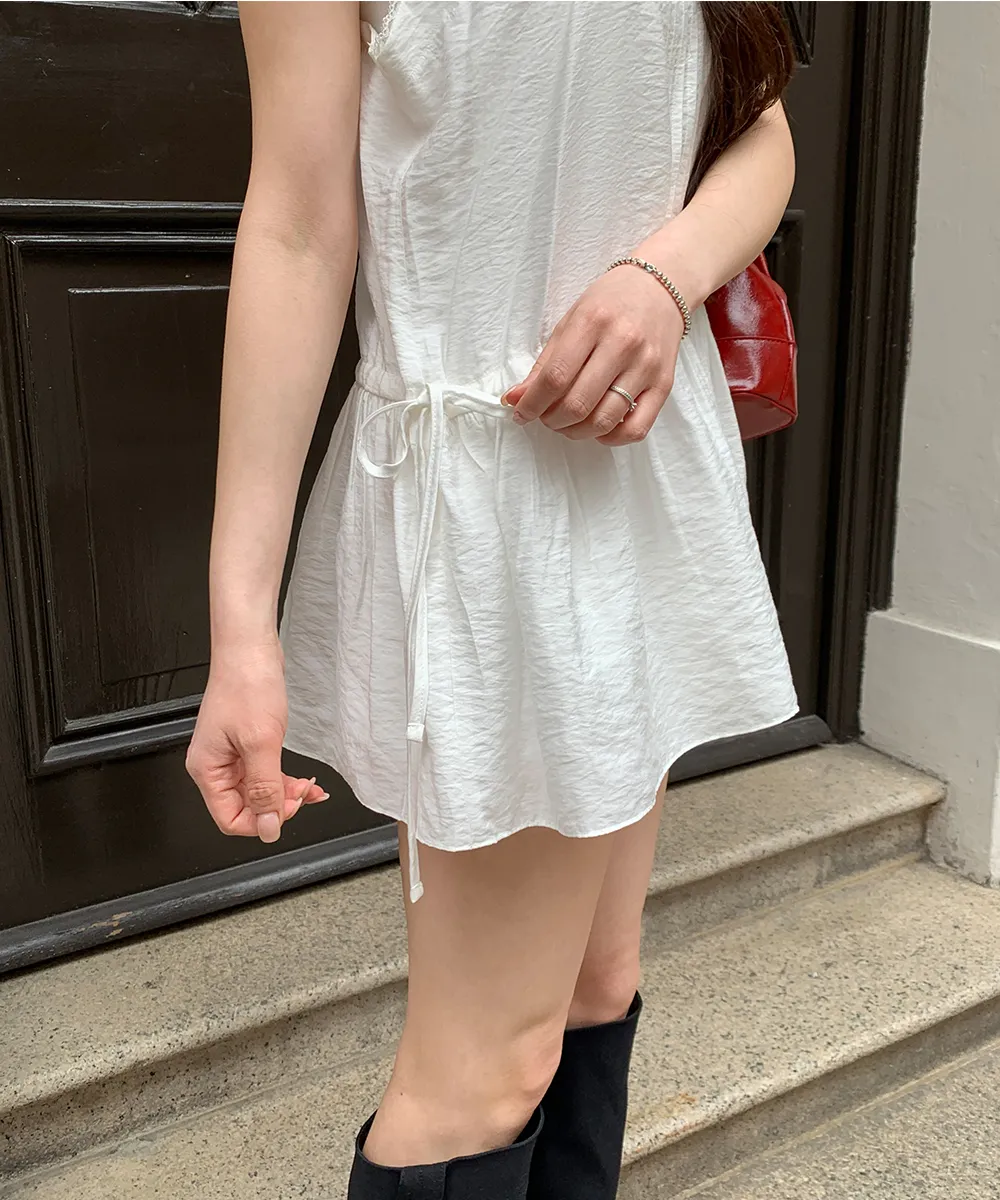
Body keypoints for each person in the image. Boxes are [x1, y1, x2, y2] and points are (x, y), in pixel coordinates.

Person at [185, 2, 799, 1196]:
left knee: (594, 985)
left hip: (640, 483)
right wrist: (240, 627)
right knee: (481, 1074)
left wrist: (663, 277)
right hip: (484, 505)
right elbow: (300, 225)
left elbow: (757, 126)